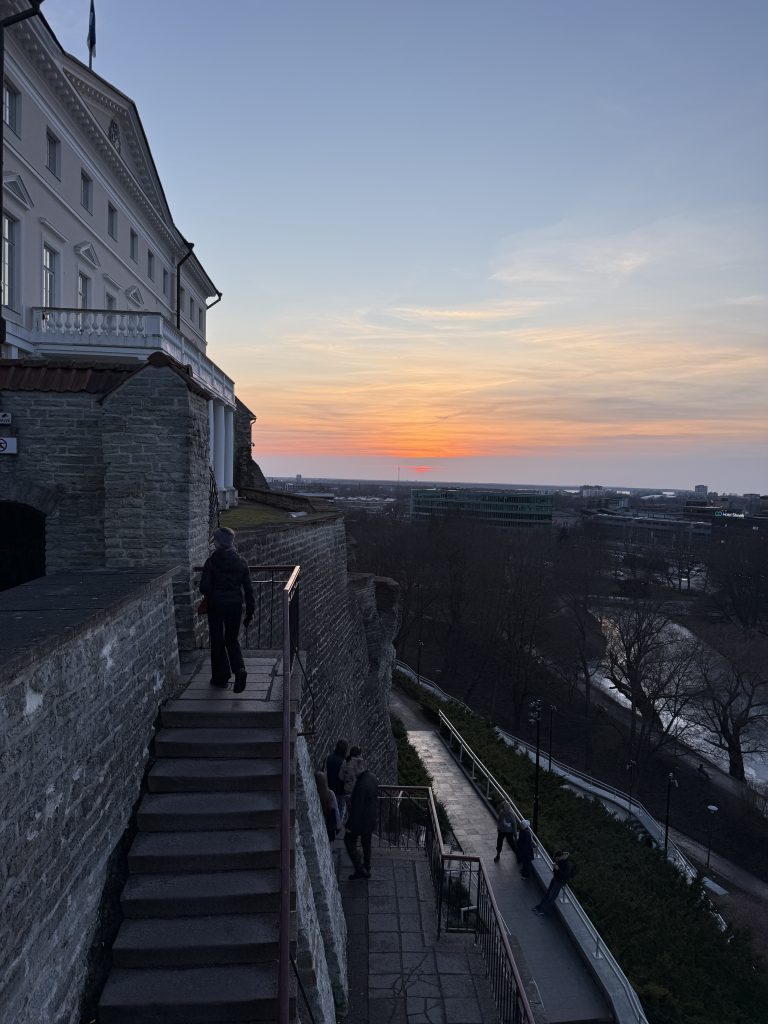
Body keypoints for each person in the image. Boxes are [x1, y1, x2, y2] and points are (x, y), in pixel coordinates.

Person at [200, 527, 254, 693]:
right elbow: (249, 591)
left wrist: (214, 593)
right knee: (231, 639)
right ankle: (240, 670)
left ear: (219, 542)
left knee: (217, 640)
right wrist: (250, 613)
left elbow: (204, 587)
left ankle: (221, 678)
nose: (213, 543)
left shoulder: (212, 561)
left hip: (216, 605)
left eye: (214, 540)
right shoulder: (241, 562)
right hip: (235, 605)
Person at [344, 766, 379, 880]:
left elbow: (357, 809)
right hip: (371, 817)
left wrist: (349, 825)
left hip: (361, 820)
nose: (352, 776)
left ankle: (360, 868)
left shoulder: (360, 785)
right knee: (366, 842)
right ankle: (367, 866)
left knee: (349, 840)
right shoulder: (373, 777)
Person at [532, 850, 575, 916]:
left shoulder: (568, 864)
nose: (557, 859)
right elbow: (555, 871)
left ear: (561, 856)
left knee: (551, 897)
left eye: (558, 858)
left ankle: (543, 910)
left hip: (560, 882)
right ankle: (539, 907)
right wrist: (555, 867)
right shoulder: (560, 860)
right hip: (555, 879)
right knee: (548, 894)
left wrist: (558, 869)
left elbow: (566, 876)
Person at [339, 745, 365, 819]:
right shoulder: (360, 763)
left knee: (348, 810)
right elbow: (363, 776)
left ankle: (348, 826)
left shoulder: (345, 762)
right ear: (358, 754)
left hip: (347, 789)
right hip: (357, 790)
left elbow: (340, 776)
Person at [315, 771, 341, 843]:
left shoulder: (316, 796)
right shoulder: (330, 793)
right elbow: (336, 810)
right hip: (329, 824)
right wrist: (338, 825)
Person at [325, 738, 349, 816]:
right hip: (339, 792)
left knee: (330, 811)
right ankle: (336, 827)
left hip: (328, 790)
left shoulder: (328, 758)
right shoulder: (344, 762)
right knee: (339, 812)